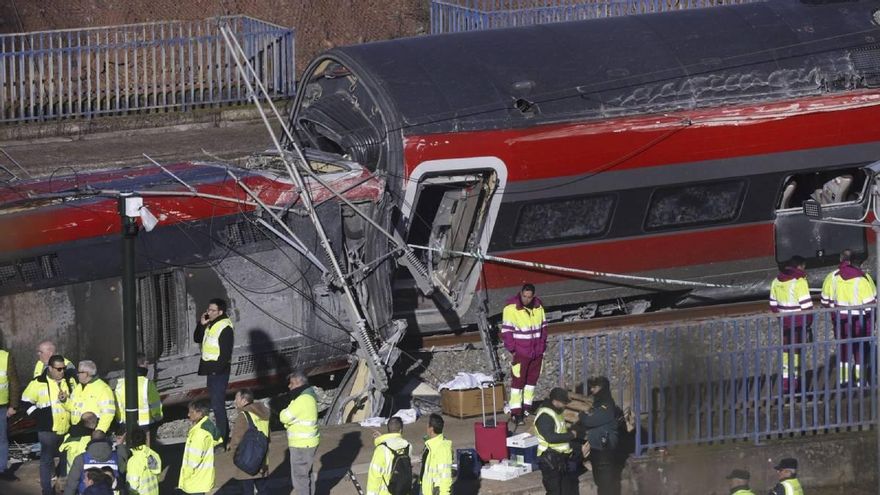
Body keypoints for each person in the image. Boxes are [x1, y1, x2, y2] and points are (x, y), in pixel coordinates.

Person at [820, 249, 877, 385]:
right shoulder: (864, 279)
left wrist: (836, 313)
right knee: (860, 353)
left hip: (840, 322)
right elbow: (871, 306)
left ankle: (844, 383)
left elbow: (825, 302)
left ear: (842, 260)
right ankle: (860, 382)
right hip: (861, 323)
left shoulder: (831, 277)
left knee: (844, 352)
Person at [21, 354, 75, 495]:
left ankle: (63, 489)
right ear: (50, 368)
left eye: (63, 368)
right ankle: (47, 490)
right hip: (47, 430)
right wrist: (38, 416)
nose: (62, 371)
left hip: (66, 429)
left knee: (65, 461)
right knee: (46, 460)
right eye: (58, 369)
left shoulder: (68, 381)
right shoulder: (38, 383)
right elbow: (25, 401)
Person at [501, 283, 548, 425]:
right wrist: (513, 350)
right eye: (524, 296)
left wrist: (542, 347)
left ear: (533, 296)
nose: (526, 299)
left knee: (531, 382)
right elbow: (507, 332)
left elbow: (544, 328)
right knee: (518, 383)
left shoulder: (538, 307)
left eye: (529, 297)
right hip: (521, 353)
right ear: (520, 294)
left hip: (536, 352)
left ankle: (527, 407)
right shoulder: (511, 309)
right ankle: (516, 413)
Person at [769, 255, 813, 394]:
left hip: (785, 322)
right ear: (799, 266)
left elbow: (773, 304)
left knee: (787, 353)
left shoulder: (776, 281)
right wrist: (808, 324)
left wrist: (782, 317)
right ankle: (796, 387)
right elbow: (806, 307)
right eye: (803, 266)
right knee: (797, 353)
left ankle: (786, 385)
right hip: (799, 323)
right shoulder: (799, 282)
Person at [193, 298, 234, 443]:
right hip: (211, 371)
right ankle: (222, 436)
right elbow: (197, 338)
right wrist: (201, 324)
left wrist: (216, 370)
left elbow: (225, 354)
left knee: (218, 406)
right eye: (208, 309)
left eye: (212, 310)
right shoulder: (212, 324)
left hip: (219, 372)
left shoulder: (225, 327)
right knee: (215, 405)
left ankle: (223, 437)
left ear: (220, 312)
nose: (208, 312)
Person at [578, 377, 621, 495]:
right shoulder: (599, 403)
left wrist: (582, 415)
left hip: (604, 451)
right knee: (601, 484)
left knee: (606, 486)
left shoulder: (606, 405)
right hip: (598, 450)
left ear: (602, 388)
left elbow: (589, 421)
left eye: (595, 387)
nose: (592, 390)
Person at [279, 370, 319, 495]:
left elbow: (284, 417)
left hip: (301, 445)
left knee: (300, 479)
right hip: (309, 443)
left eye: (291, 383)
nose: (289, 386)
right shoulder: (308, 396)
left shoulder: (302, 400)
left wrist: (287, 422)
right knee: (307, 475)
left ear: (297, 382)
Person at [534, 387, 579, 495]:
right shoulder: (545, 416)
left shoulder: (556, 412)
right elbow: (550, 437)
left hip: (560, 459)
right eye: (564, 403)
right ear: (556, 401)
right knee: (554, 491)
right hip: (550, 460)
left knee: (565, 490)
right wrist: (570, 435)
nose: (565, 405)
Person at [228, 389, 270, 494]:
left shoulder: (244, 416)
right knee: (263, 489)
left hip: (246, 461)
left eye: (236, 398)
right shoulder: (263, 415)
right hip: (262, 460)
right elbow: (268, 437)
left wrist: (234, 456)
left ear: (244, 400)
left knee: (247, 491)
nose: (234, 401)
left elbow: (236, 441)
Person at [177, 399, 223, 495]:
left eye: (191, 412)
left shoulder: (199, 433)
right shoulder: (207, 428)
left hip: (194, 479)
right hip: (202, 478)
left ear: (199, 413)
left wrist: (186, 475)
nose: (188, 415)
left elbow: (194, 459)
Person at [64, 429, 129, 495]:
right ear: (106, 439)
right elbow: (123, 469)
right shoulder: (116, 457)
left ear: (91, 440)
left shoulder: (81, 459)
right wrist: (120, 445)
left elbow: (71, 485)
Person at [114, 353, 163, 441]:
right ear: (140, 365)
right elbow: (155, 404)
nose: (147, 363)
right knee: (145, 450)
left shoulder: (120, 384)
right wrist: (157, 417)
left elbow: (118, 405)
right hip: (145, 424)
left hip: (126, 424)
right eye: (145, 362)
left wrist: (120, 420)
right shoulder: (147, 383)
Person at [67, 360, 116, 434]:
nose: (77, 374)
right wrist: (64, 401)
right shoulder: (78, 387)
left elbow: (108, 414)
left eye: (79, 372)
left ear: (86, 374)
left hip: (92, 431)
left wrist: (99, 431)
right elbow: (72, 407)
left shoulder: (103, 388)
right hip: (77, 430)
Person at [366, 416, 411, 495]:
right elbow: (396, 443)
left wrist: (380, 439)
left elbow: (374, 477)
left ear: (388, 430)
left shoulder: (381, 449)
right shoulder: (408, 446)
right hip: (402, 491)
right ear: (401, 430)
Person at [0, 343, 20, 481]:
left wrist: (13, 405)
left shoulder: (5, 357)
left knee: (1, 439)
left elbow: (13, 381)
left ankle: (1, 469)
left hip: (1, 405)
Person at [420, 413, 452, 495]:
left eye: (427, 426)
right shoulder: (430, 445)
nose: (426, 428)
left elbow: (445, 477)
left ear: (431, 429)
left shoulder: (442, 449)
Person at [125, 428, 161, 495]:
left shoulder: (133, 461)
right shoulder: (153, 454)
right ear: (145, 439)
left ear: (131, 441)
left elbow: (133, 486)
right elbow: (157, 472)